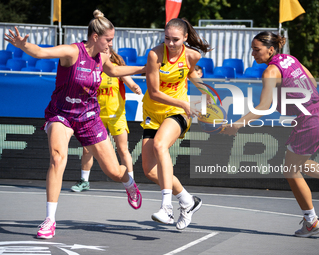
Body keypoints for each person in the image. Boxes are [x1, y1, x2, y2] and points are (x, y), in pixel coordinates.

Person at [4, 9, 144, 239]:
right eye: (108, 40)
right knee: (58, 157)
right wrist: (22, 45)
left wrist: (144, 69)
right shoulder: (71, 52)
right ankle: (49, 220)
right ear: (95, 37)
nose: (111, 44)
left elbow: (116, 71)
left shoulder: (103, 56)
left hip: (89, 117)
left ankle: (128, 182)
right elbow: (40, 52)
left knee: (113, 171)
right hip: (62, 114)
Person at [221, 31, 319, 238]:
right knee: (299, 164)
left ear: (271, 49)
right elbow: (311, 82)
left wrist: (237, 125)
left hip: (312, 118)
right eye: (252, 49)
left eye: (257, 50)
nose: (253, 54)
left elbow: (263, 107)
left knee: (290, 170)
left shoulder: (270, 72)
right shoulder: (290, 59)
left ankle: (311, 221)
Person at [141, 18, 212, 230]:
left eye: (175, 40)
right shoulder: (155, 55)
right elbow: (154, 92)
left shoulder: (192, 55)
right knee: (149, 171)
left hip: (178, 113)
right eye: (167, 39)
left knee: (160, 145)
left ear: (185, 38)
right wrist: (184, 101)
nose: (170, 43)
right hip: (153, 112)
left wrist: (205, 94)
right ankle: (188, 201)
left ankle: (166, 208)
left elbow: (189, 72)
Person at [71, 48, 142, 192]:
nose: (102, 53)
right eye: (100, 51)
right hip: (95, 117)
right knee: (87, 150)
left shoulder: (116, 69)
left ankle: (131, 183)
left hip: (116, 116)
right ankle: (84, 181)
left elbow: (130, 82)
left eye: (105, 51)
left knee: (122, 149)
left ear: (110, 54)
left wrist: (135, 87)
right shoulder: (91, 70)